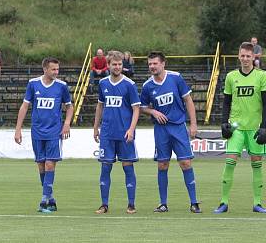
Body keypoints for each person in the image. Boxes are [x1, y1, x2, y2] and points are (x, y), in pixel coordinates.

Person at [139, 51, 201, 213]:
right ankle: (163, 203)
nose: (152, 66)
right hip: (161, 130)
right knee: (162, 165)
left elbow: (188, 100)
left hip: (178, 127)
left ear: (163, 63)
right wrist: (153, 112)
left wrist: (193, 124)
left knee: (186, 163)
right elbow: (142, 106)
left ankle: (194, 202)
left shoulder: (176, 78)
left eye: (155, 63)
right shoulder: (147, 86)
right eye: (150, 64)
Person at [14, 57, 73, 213]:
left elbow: (69, 107)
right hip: (37, 131)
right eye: (53, 69)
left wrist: (66, 124)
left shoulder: (62, 86)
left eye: (57, 69)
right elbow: (25, 106)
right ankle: (51, 198)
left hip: (54, 132)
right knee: (41, 165)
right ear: (45, 69)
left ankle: (43, 201)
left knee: (49, 164)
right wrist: (18, 129)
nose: (56, 72)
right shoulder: (33, 84)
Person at [214, 42, 266, 214]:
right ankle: (223, 202)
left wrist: (265, 127)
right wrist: (223, 123)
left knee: (257, 163)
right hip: (236, 127)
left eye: (248, 56)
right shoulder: (231, 76)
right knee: (230, 162)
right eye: (242, 55)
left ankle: (258, 203)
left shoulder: (262, 76)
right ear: (239, 56)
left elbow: (265, 104)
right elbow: (226, 102)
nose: (245, 59)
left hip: (254, 128)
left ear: (253, 57)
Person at [93, 50, 141, 214]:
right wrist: (95, 127)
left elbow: (136, 109)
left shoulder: (129, 84)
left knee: (128, 167)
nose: (117, 67)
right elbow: (100, 106)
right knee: (105, 168)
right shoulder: (103, 84)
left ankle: (131, 204)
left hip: (124, 133)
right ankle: (104, 204)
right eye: (114, 64)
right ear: (109, 65)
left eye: (120, 64)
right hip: (107, 133)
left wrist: (131, 129)